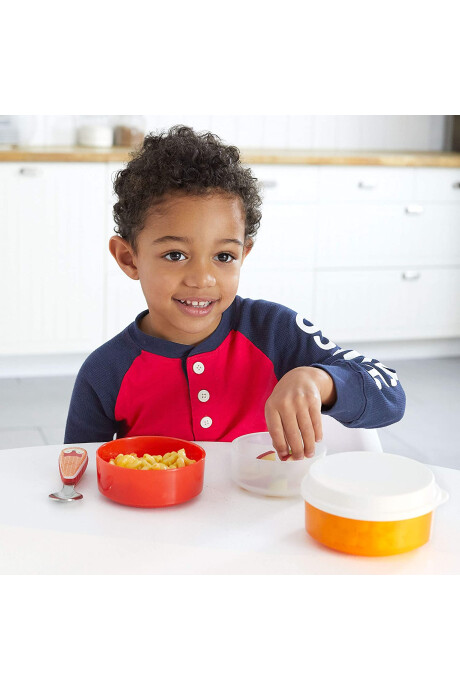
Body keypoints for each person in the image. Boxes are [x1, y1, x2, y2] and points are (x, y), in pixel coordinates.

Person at [64, 125, 405, 460]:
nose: (202, 279)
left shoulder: (274, 331)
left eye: (224, 256)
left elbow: (391, 394)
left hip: (264, 510)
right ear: (129, 258)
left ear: (244, 254)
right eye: (175, 255)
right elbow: (76, 474)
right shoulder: (105, 372)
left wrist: (318, 380)